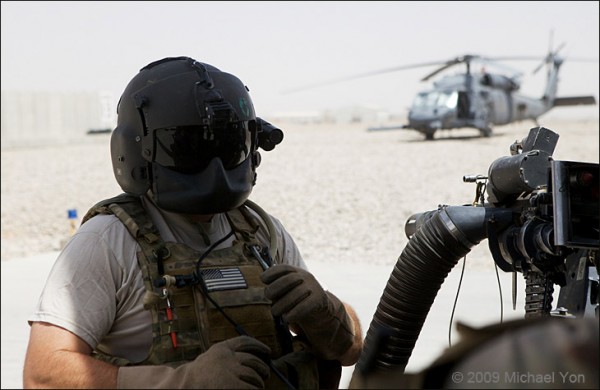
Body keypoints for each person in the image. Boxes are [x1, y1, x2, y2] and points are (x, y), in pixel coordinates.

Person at [23, 56, 363, 389]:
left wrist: (327, 312)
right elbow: (42, 375)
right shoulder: (107, 241)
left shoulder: (261, 231)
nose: (213, 168)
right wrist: (183, 381)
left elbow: (351, 350)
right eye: (188, 147)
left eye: (227, 145)